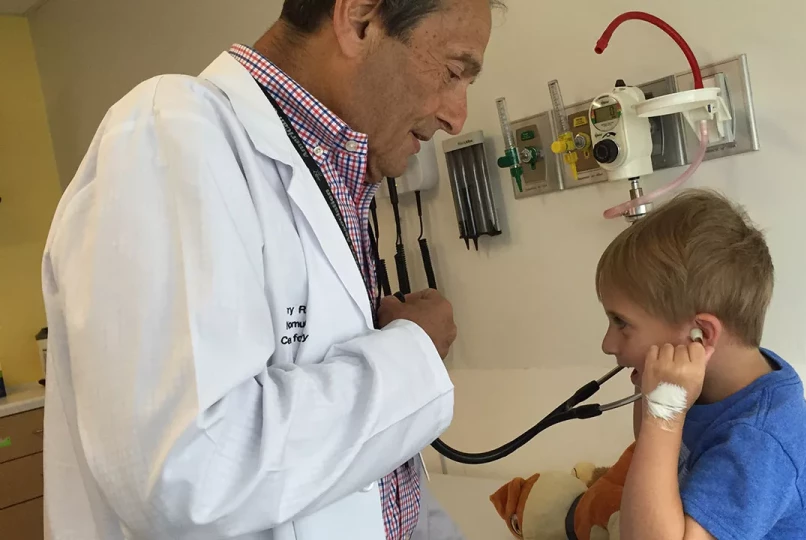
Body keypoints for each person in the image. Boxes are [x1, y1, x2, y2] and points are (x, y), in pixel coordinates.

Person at [39, 0, 497, 538]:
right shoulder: (169, 131)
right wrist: (413, 352)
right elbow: (188, 474)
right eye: (452, 71)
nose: (456, 115)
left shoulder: (335, 177)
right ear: (359, 20)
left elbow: (374, 488)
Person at [595, 190, 806, 540]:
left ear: (701, 336)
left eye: (621, 322)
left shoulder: (760, 443)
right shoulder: (719, 382)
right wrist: (654, 396)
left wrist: (664, 412)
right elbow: (650, 453)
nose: (608, 344)